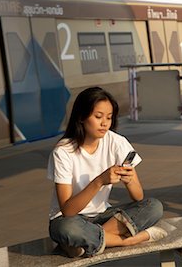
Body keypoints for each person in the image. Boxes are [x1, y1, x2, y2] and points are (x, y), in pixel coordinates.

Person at [47, 87, 167, 258]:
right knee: (67, 229)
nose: (105, 123)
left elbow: (139, 197)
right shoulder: (63, 152)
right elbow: (68, 211)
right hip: (70, 219)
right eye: (98, 117)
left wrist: (130, 180)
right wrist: (99, 181)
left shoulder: (117, 142)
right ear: (81, 117)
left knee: (154, 207)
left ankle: (84, 242)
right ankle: (126, 240)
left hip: (104, 215)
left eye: (109, 117)